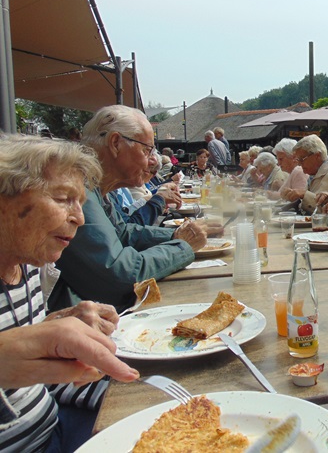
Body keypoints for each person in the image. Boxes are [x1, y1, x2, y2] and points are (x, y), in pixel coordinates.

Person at [0, 134, 139, 452]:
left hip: (56, 424)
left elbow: (30, 375)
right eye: (63, 199)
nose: (80, 217)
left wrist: (52, 328)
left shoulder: (30, 264)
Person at [50, 105, 207, 312]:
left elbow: (123, 232)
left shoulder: (95, 187)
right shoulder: (77, 189)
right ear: (115, 143)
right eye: (147, 150)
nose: (153, 160)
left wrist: (175, 234)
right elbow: (119, 276)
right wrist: (182, 246)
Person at [283, 134, 328, 214]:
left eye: (302, 159)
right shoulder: (315, 171)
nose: (299, 164)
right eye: (298, 160)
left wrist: (304, 194)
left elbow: (326, 210)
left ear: (317, 156)